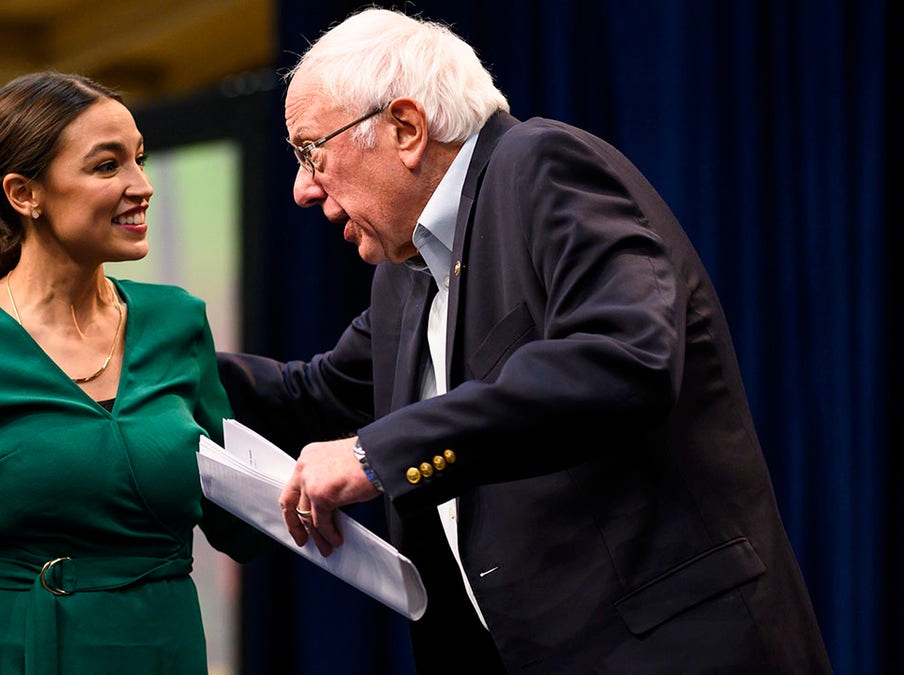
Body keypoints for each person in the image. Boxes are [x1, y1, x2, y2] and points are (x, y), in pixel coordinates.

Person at [217, 8, 832, 674]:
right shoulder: (404, 279)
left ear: (405, 128)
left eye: (312, 152)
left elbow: (624, 357)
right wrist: (137, 346)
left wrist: (375, 453)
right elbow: (313, 397)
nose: (304, 189)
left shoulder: (541, 166)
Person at [0, 71, 266, 674]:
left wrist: (355, 465)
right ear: (24, 193)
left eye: (139, 159)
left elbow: (243, 523)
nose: (142, 186)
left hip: (168, 651)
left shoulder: (177, 320)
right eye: (107, 166)